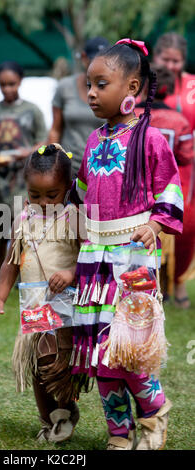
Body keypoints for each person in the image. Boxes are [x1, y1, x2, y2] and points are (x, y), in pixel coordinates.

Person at [69, 39, 183, 450]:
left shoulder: (151, 141)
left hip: (132, 259)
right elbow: (81, 195)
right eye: (89, 84)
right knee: (101, 352)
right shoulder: (95, 141)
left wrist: (155, 225)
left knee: (130, 349)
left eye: (102, 84)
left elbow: (170, 192)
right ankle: (120, 432)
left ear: (132, 88)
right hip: (94, 260)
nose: (92, 93)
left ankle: (153, 414)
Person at [0, 144, 82, 442]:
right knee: (39, 366)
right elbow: (10, 263)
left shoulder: (74, 217)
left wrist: (70, 274)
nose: (42, 202)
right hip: (34, 306)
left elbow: (91, 258)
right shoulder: (22, 219)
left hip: (66, 306)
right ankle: (48, 419)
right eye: (34, 194)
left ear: (67, 187)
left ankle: (65, 410)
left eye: (51, 195)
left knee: (58, 363)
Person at [0, 61, 47, 279]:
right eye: (3, 84)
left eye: (12, 84)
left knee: (24, 231)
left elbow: (42, 141)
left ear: (20, 82)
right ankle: (1, 277)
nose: (7, 88)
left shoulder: (32, 111)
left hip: (24, 183)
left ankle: (24, 276)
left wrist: (25, 153)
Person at [135, 64, 194, 304]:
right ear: (168, 90)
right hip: (163, 193)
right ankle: (163, 289)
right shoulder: (179, 121)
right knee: (161, 238)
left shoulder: (130, 117)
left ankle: (137, 289)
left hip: (134, 194)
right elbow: (186, 157)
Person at [153, 33, 195, 308]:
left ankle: (178, 280)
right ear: (155, 57)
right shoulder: (146, 81)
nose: (170, 65)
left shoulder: (193, 86)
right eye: (165, 59)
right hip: (152, 167)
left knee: (186, 226)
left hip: (186, 166)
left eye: (176, 60)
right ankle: (155, 283)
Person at [48, 37, 110, 176]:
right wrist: (50, 162)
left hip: (100, 168)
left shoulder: (112, 92)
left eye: (104, 62)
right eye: (93, 60)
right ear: (83, 58)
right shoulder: (65, 87)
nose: (97, 65)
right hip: (67, 167)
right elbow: (55, 129)